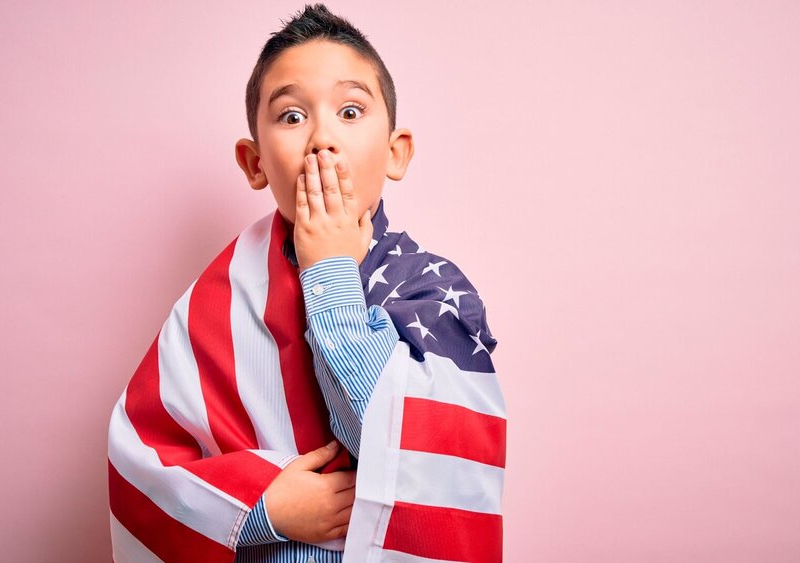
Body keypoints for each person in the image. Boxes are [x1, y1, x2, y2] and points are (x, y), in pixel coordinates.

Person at [106, 4, 505, 562]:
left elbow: (409, 457)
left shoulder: (431, 292)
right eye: (292, 116)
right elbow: (142, 462)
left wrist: (330, 273)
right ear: (254, 163)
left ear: (396, 152)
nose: (322, 138)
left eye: (350, 111)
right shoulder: (218, 301)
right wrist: (263, 508)